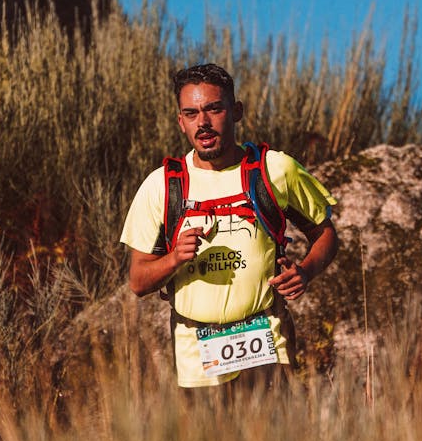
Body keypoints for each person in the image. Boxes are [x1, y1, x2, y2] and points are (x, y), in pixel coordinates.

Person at [120, 63, 338, 389]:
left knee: (272, 440)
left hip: (266, 340)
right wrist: (175, 258)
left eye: (213, 109)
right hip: (195, 353)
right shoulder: (161, 186)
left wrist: (305, 271)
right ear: (181, 122)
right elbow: (137, 281)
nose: (203, 123)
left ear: (236, 111)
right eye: (191, 114)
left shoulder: (275, 169)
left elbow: (326, 234)